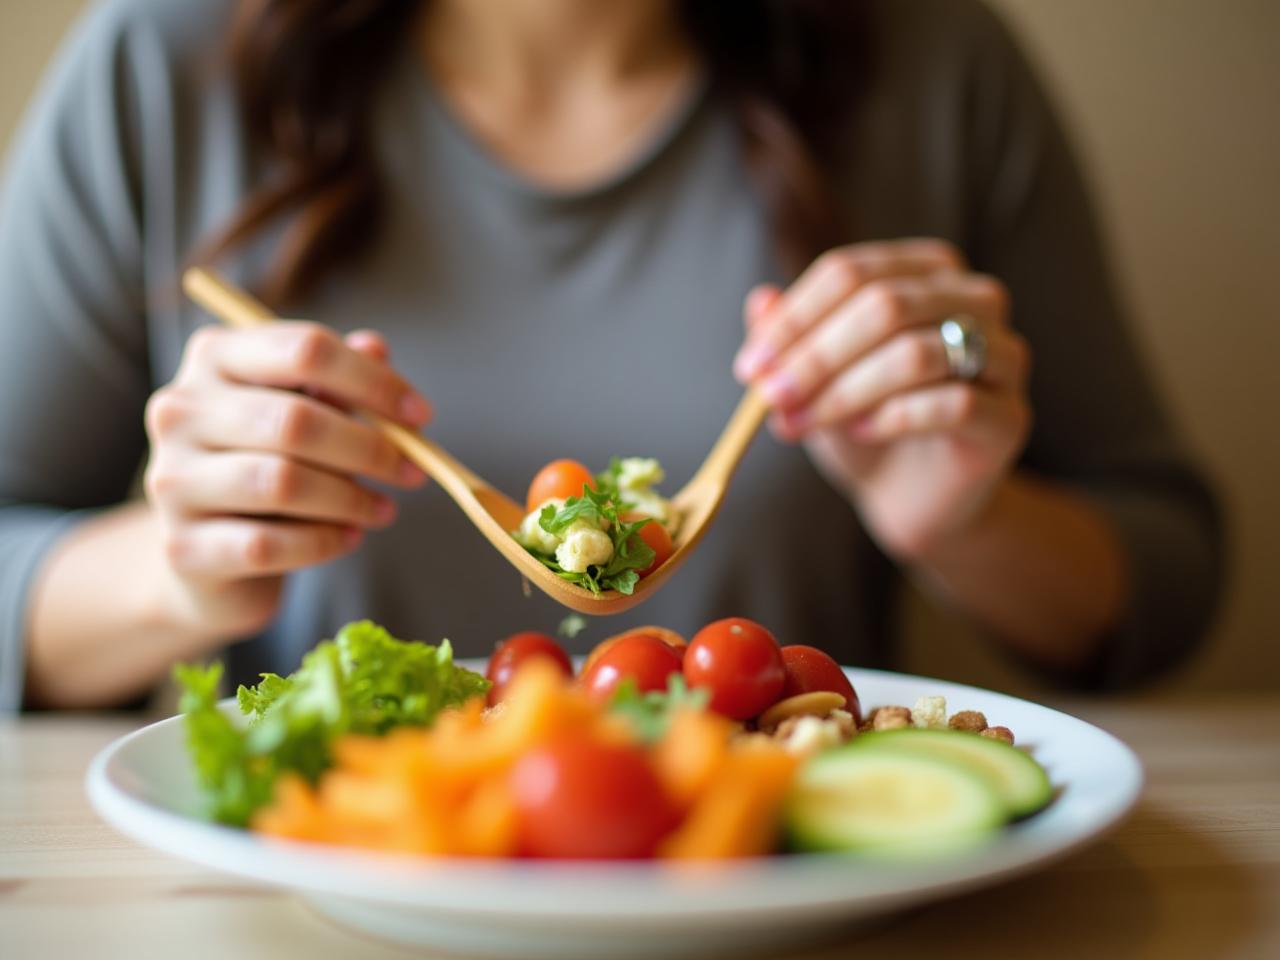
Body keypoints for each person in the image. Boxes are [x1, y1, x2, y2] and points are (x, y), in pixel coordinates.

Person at [0, 0, 1223, 711]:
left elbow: (1168, 577)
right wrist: (175, 577)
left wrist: (970, 524)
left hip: (784, 903)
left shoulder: (936, 61)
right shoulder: (162, 61)